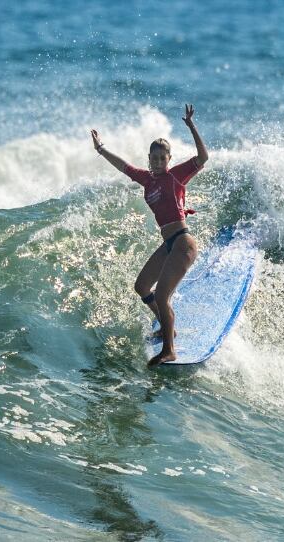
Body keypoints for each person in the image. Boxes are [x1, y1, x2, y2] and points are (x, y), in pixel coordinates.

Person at [91, 104, 209, 366]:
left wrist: (191, 126)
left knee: (164, 296)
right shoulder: (147, 179)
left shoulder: (175, 176)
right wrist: (101, 150)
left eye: (161, 158)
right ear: (150, 159)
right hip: (168, 244)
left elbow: (203, 157)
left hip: (182, 242)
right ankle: (168, 325)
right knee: (142, 286)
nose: (157, 162)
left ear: (168, 160)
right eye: (153, 158)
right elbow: (123, 166)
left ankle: (169, 348)